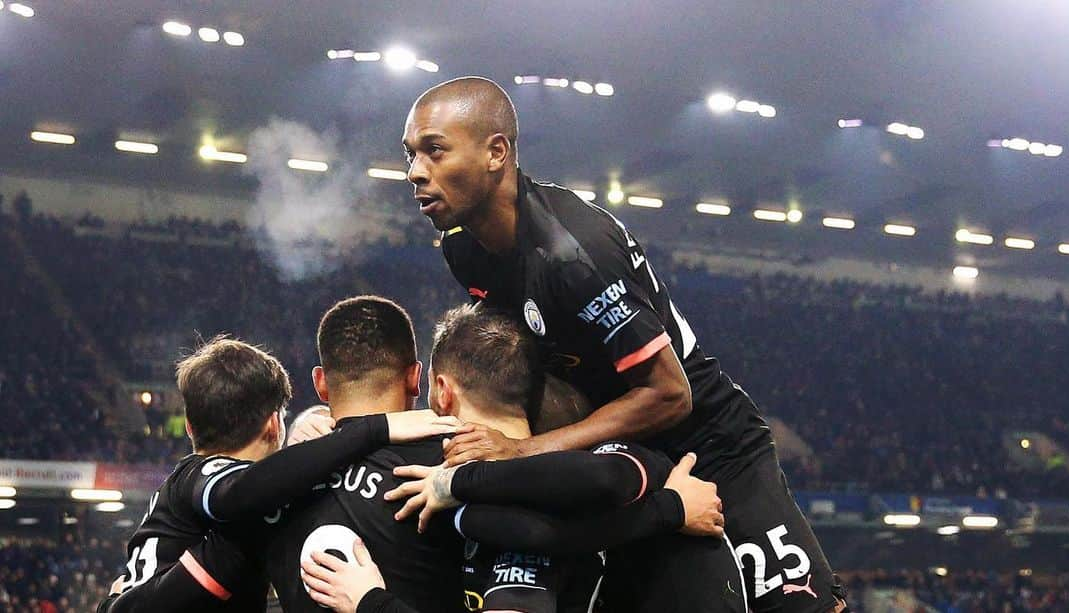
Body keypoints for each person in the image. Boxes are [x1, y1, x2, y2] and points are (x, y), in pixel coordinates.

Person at [402, 76, 845, 612]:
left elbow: (669, 395)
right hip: (617, 458)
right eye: (410, 155)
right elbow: (516, 367)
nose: (416, 172)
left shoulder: (574, 255)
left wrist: (522, 451)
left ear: (497, 152)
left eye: (434, 150)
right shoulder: (461, 248)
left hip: (708, 443)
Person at [299, 303, 724, 612]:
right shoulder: (517, 484)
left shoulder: (531, 488)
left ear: (441, 391)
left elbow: (595, 489)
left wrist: (370, 602)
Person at [98, 336, 457, 613]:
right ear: (274, 424)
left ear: (189, 427)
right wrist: (370, 430)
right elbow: (238, 495)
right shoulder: (204, 477)